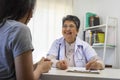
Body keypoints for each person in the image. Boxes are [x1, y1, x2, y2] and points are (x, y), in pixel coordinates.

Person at [0, 0, 52, 80]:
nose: (31, 16)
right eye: (29, 10)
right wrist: (40, 69)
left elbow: (10, 70)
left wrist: (37, 65)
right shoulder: (19, 29)